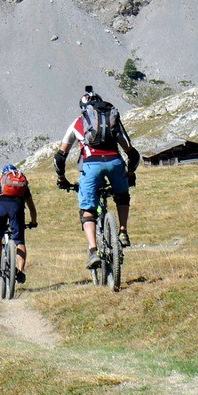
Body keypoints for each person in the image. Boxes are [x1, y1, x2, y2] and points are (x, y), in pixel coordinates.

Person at [55, 96, 140, 270]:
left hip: (92, 165)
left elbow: (59, 157)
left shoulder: (79, 122)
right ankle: (123, 231)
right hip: (115, 163)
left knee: (87, 210)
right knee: (122, 197)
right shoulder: (112, 120)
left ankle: (93, 250)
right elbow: (132, 153)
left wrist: (61, 178)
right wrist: (130, 173)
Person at [0, 165, 39, 283]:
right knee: (20, 241)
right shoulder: (23, 185)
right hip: (17, 210)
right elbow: (32, 207)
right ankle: (20, 272)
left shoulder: (0, 183)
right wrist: (33, 222)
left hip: (1, 208)